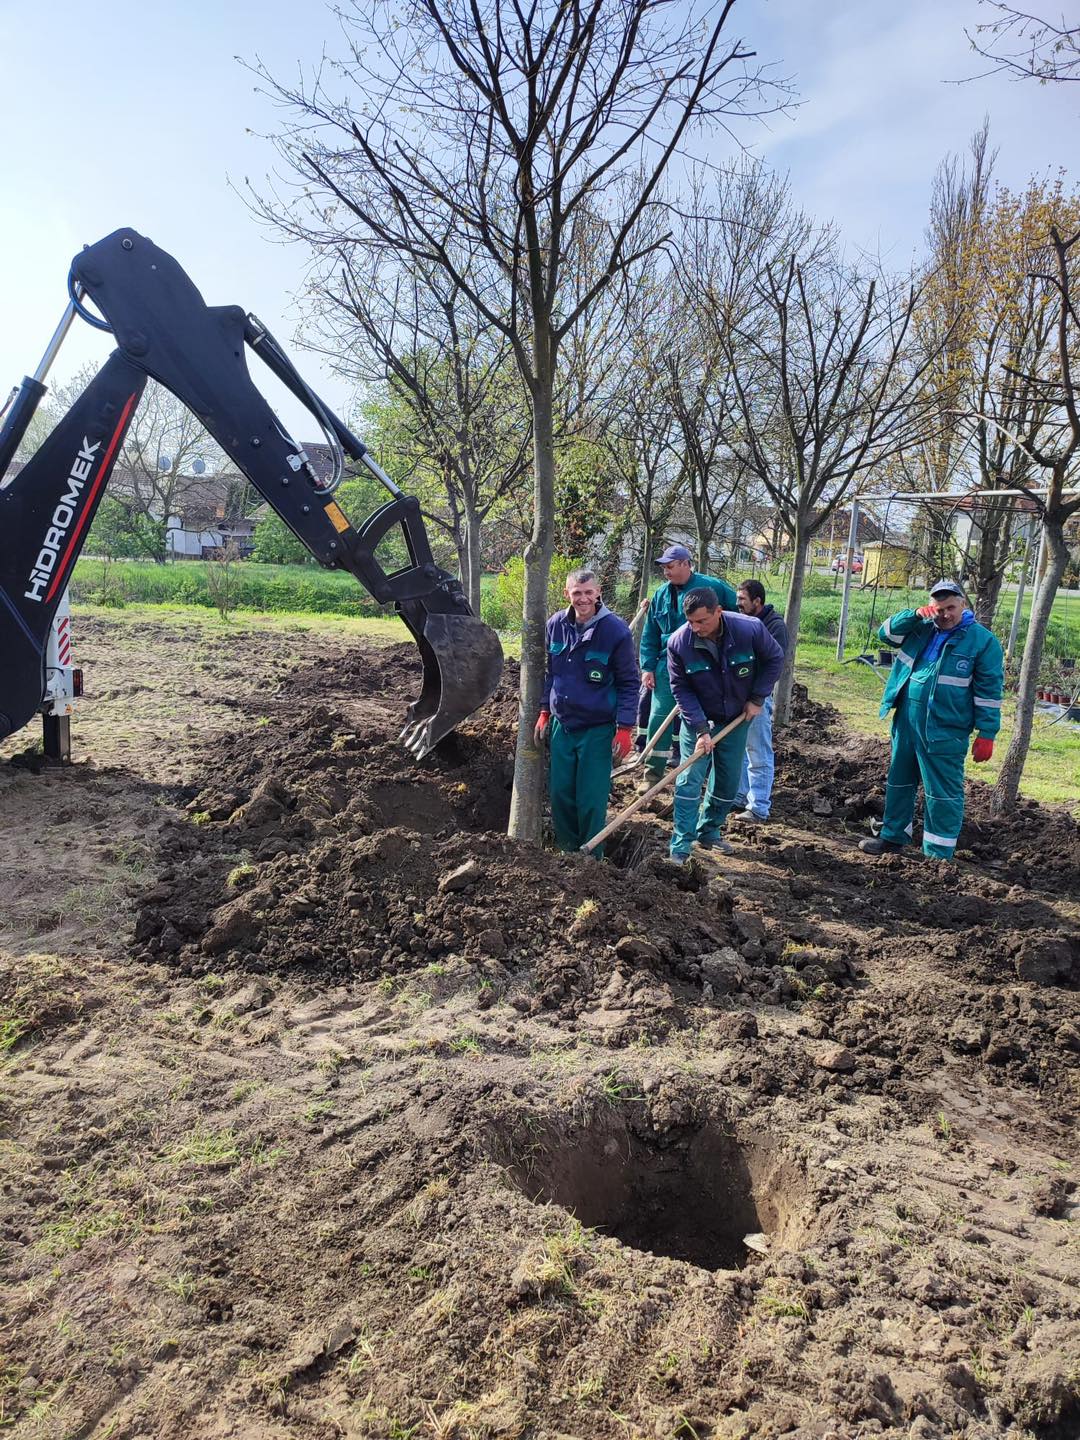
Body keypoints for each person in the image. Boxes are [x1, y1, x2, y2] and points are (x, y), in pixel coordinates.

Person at [860, 579, 1004, 861]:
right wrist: (914, 614)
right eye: (939, 609)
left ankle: (937, 857)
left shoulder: (983, 642)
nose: (946, 614)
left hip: (945, 727)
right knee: (899, 782)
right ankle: (892, 838)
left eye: (951, 607)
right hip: (906, 720)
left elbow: (989, 692)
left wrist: (987, 733)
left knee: (942, 792)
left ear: (963, 604)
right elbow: (885, 633)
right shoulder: (920, 628)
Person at [666, 587, 784, 865]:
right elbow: (681, 689)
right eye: (691, 622)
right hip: (698, 718)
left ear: (718, 612)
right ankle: (681, 844)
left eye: (702, 621)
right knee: (689, 779)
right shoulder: (678, 643)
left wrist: (757, 697)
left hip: (736, 717)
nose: (695, 628)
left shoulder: (750, 629)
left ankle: (709, 831)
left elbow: (775, 659)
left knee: (728, 781)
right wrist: (700, 729)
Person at [534, 569, 639, 857]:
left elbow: (630, 682)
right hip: (563, 725)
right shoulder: (556, 624)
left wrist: (626, 727)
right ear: (567, 594)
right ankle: (567, 852)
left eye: (588, 592)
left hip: (597, 728)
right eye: (577, 593)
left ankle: (591, 859)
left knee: (590, 798)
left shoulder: (615, 631)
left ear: (598, 592)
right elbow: (551, 672)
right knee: (561, 794)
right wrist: (545, 711)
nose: (583, 599)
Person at [639, 545, 737, 785]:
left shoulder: (712, 587)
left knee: (698, 718)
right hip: (666, 664)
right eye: (664, 568)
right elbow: (650, 632)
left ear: (685, 563)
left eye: (670, 567)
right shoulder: (661, 593)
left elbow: (734, 618)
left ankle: (693, 775)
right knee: (658, 718)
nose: (666, 572)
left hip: (700, 664)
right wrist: (647, 666)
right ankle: (652, 775)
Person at [730, 578, 790, 824]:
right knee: (739, 750)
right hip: (736, 694)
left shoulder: (775, 627)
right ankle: (739, 795)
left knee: (758, 751)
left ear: (758, 601)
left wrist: (756, 698)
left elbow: (772, 665)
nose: (738, 604)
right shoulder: (741, 621)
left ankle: (758, 807)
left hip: (757, 698)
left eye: (742, 599)